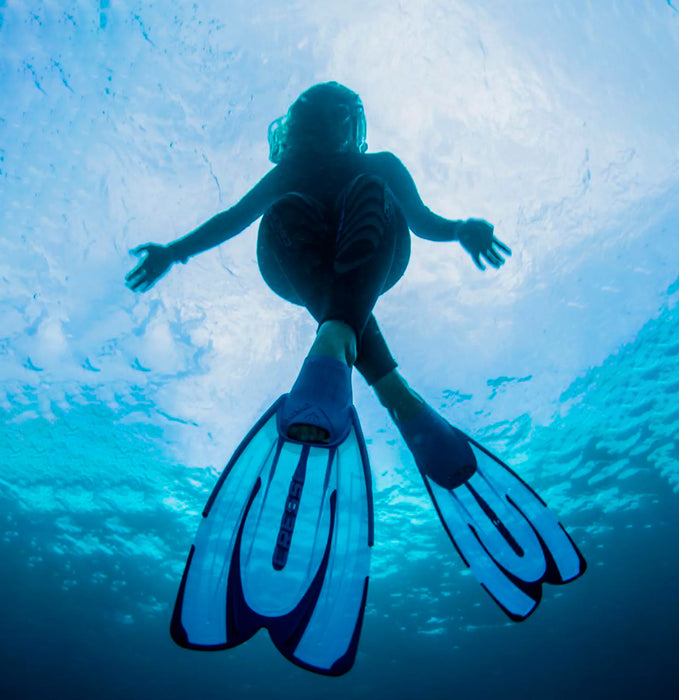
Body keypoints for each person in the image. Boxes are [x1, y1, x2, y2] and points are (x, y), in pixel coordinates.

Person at [132, 83, 584, 677]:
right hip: (309, 259)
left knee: (351, 200)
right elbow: (239, 219)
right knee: (297, 211)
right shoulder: (309, 172)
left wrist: (175, 252)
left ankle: (336, 348)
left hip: (355, 253)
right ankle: (390, 390)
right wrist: (175, 251)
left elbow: (416, 222)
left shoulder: (371, 168)